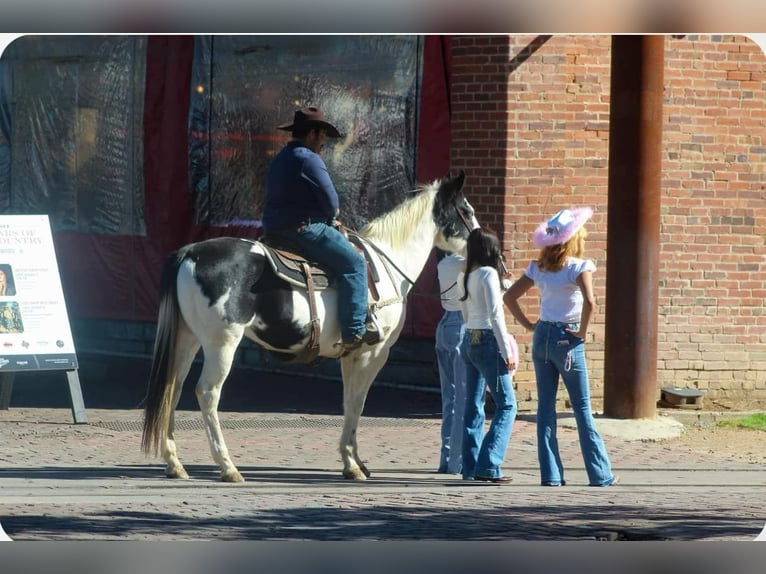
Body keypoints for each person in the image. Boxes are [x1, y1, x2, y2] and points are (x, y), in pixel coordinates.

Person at [503, 207, 619, 487]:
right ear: (573, 239)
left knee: (545, 409)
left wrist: (530, 325)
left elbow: (509, 297)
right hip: (567, 340)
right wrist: (582, 331)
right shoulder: (579, 267)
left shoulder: (538, 268)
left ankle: (551, 475)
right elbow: (591, 302)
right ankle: (600, 474)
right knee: (581, 407)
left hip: (542, 335)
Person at [262, 107, 379, 352]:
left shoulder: (282, 157)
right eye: (322, 135)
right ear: (313, 134)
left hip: (274, 230)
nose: (324, 141)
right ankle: (354, 330)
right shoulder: (309, 159)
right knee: (355, 263)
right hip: (304, 230)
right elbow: (332, 203)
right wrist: (331, 217)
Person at [457, 227, 519, 483]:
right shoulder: (489, 274)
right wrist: (507, 351)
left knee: (473, 405)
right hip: (488, 341)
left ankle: (470, 466)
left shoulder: (465, 275)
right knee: (507, 404)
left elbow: (465, 311)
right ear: (492, 250)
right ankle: (490, 464)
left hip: (469, 339)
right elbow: (496, 315)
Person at [434, 249, 467, 475]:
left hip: (444, 323)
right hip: (461, 323)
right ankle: (457, 461)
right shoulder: (463, 262)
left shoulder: (444, 262)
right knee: (463, 398)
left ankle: (446, 457)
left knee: (449, 397)